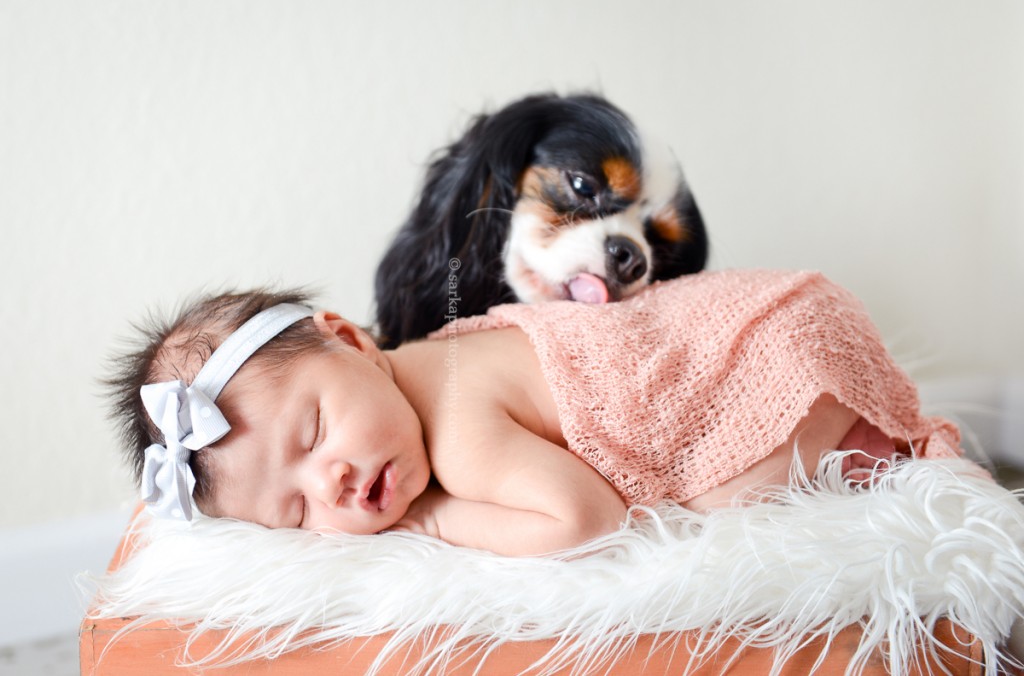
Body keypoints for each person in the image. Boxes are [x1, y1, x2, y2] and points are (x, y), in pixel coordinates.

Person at [107, 270, 963, 557]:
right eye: (295, 511)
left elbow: (587, 519)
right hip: (794, 309)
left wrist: (437, 521)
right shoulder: (434, 355)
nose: (328, 483)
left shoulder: (457, 425)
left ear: (349, 339)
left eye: (314, 432)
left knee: (722, 497)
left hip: (781, 359)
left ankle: (858, 449)